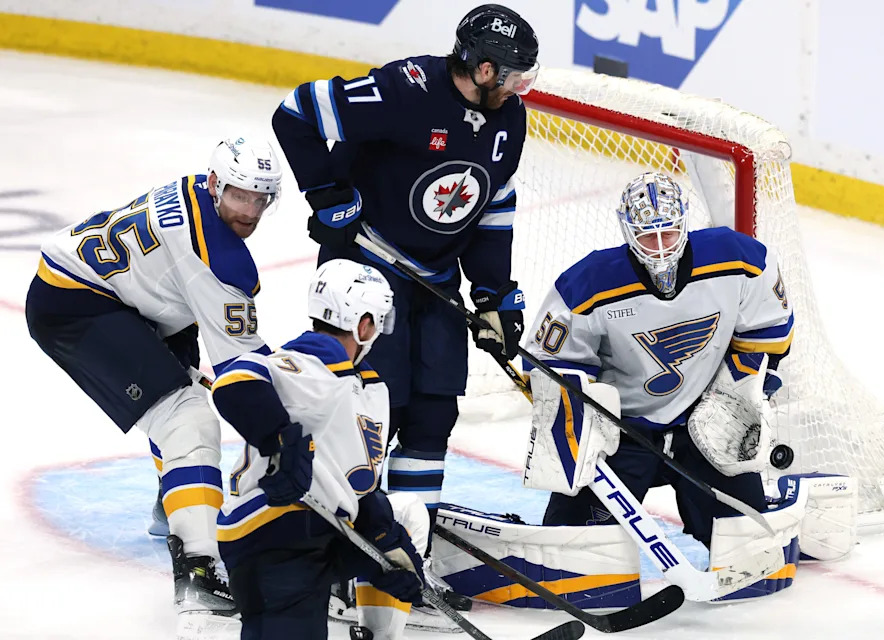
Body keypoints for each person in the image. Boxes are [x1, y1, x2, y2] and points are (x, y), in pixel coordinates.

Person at [271, 5, 539, 557]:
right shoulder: (405, 89)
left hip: (436, 284)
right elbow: (294, 112)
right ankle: (334, 545)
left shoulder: (510, 118)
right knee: (367, 411)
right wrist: (327, 195)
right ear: (483, 70)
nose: (520, 87)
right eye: (513, 76)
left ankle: (406, 549)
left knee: (432, 416)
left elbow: (493, 203)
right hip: (368, 275)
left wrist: (493, 294)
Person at [24, 136, 282, 619]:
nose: (249, 210)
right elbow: (242, 373)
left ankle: (179, 503)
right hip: (77, 305)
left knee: (179, 400)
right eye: (239, 195)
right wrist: (285, 428)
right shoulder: (218, 262)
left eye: (259, 197)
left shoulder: (195, 195)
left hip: (135, 298)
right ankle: (199, 572)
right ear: (216, 186)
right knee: (186, 418)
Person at [523, 172, 795, 549]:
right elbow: (549, 365)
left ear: (684, 222)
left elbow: (771, 334)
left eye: (668, 232)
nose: (661, 247)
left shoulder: (739, 260)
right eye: (648, 236)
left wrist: (735, 399)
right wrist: (593, 422)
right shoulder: (587, 285)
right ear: (627, 231)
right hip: (623, 433)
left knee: (747, 542)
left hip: (708, 424)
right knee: (576, 546)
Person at [212, 259, 429, 640]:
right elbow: (234, 382)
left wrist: (387, 547)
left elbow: (360, 484)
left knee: (407, 516)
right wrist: (278, 438)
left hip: (323, 532)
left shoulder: (369, 387)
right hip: (274, 533)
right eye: (378, 321)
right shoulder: (314, 361)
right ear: (363, 324)